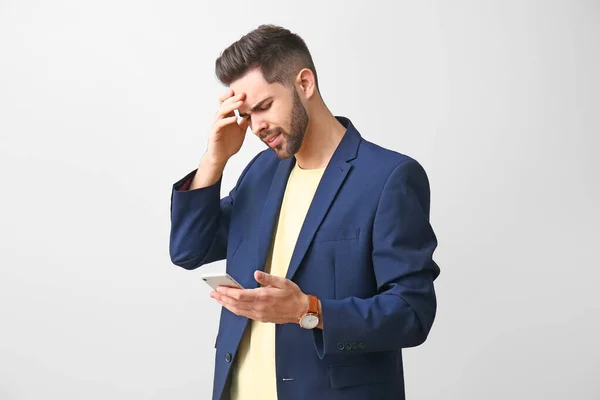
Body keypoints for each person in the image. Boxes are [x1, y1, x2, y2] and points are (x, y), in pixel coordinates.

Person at [169, 24, 440, 400]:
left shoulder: (388, 178)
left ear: (305, 84)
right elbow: (188, 251)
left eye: (264, 106)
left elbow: (412, 313)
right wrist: (214, 160)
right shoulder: (261, 172)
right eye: (247, 115)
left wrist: (307, 310)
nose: (257, 126)